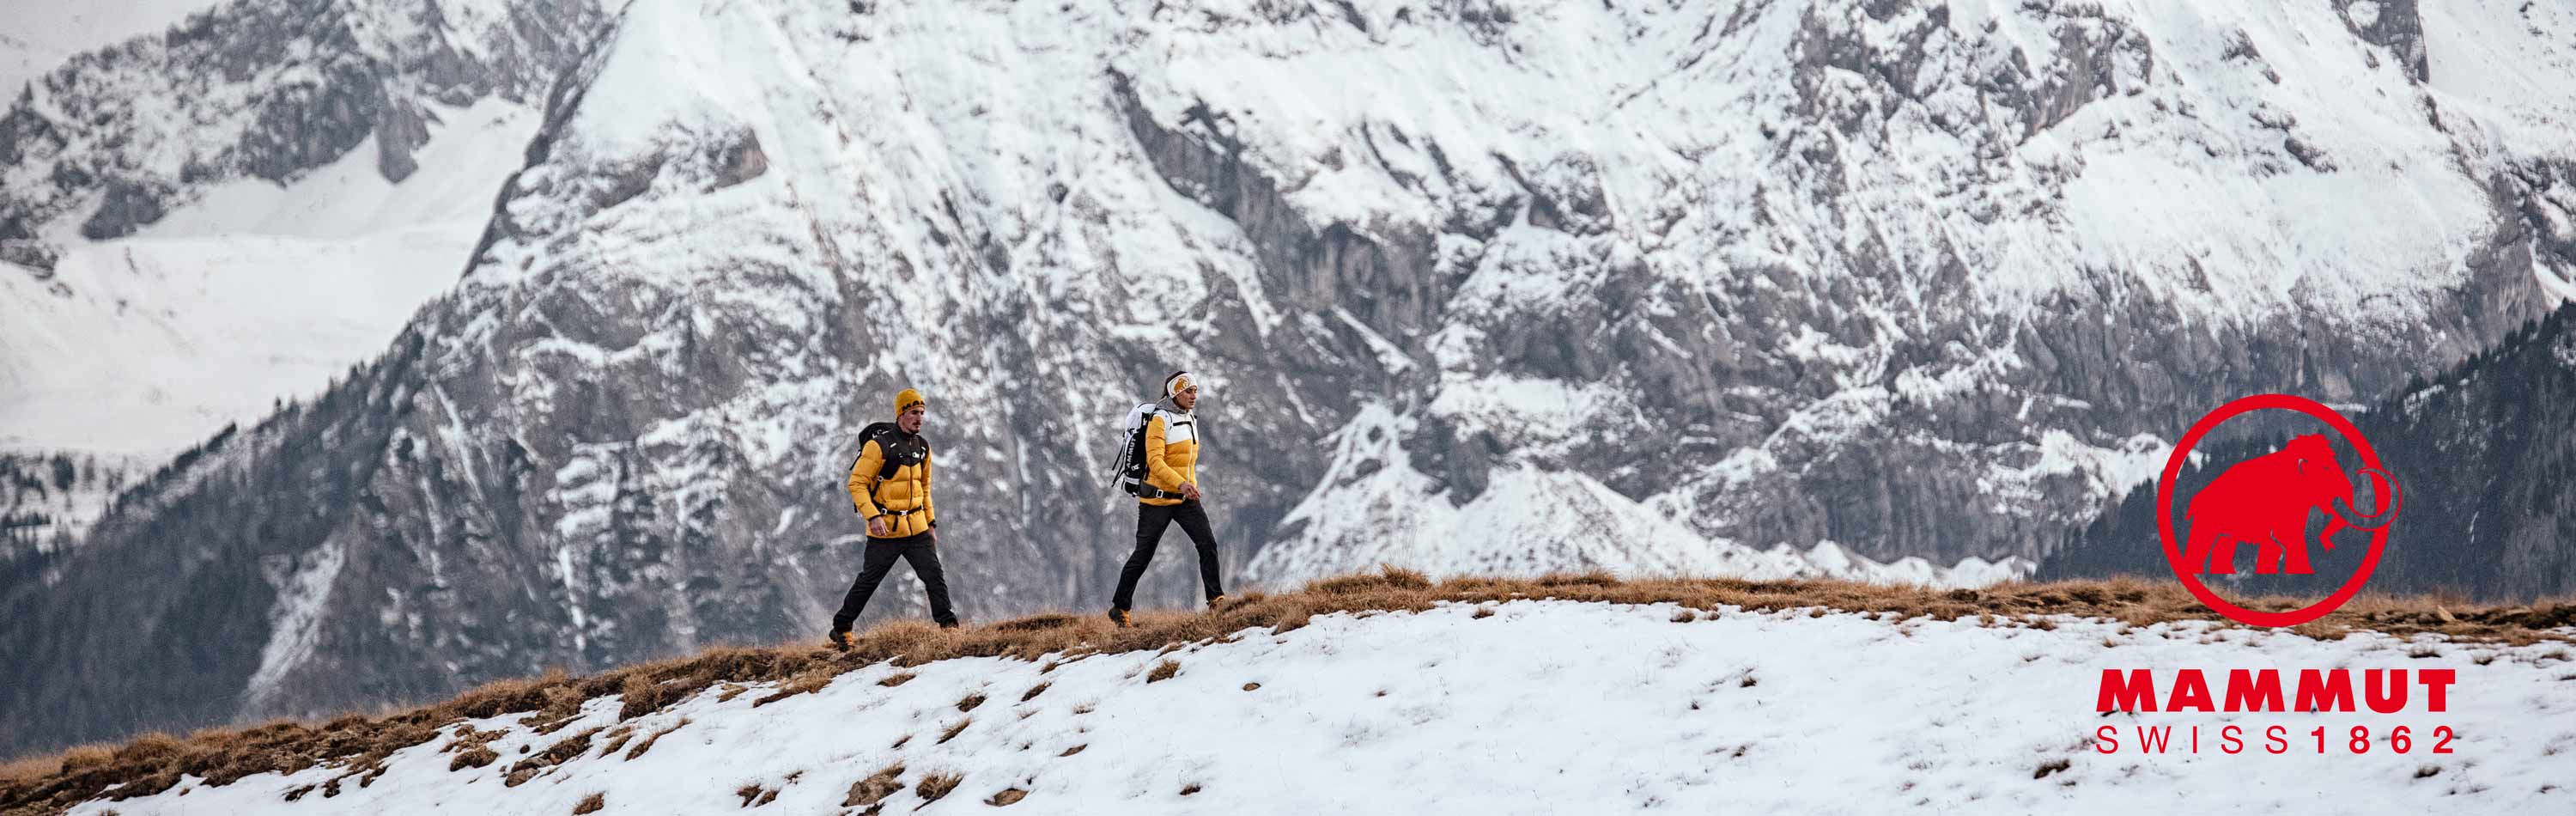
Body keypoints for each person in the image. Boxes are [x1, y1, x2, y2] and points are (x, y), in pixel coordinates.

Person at [830, 387, 959, 648]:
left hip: (917, 528)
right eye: (914, 412)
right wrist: (873, 517)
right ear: (901, 413)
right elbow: (856, 483)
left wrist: (931, 523)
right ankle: (841, 628)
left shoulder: (923, 447)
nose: (919, 418)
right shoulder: (879, 446)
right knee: (869, 580)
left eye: (922, 413)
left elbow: (925, 488)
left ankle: (949, 628)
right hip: (885, 529)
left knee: (934, 574)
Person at [1109, 371, 1227, 626]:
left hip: (1186, 498)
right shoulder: (1160, 420)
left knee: (1207, 544)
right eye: (1188, 391)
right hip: (1157, 501)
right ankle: (1120, 608)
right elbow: (1155, 461)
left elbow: (1187, 460)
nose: (1194, 396)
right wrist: (1182, 484)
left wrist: (1189, 485)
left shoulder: (1190, 418)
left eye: (1195, 390)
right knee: (1144, 554)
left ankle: (1216, 600)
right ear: (1175, 393)